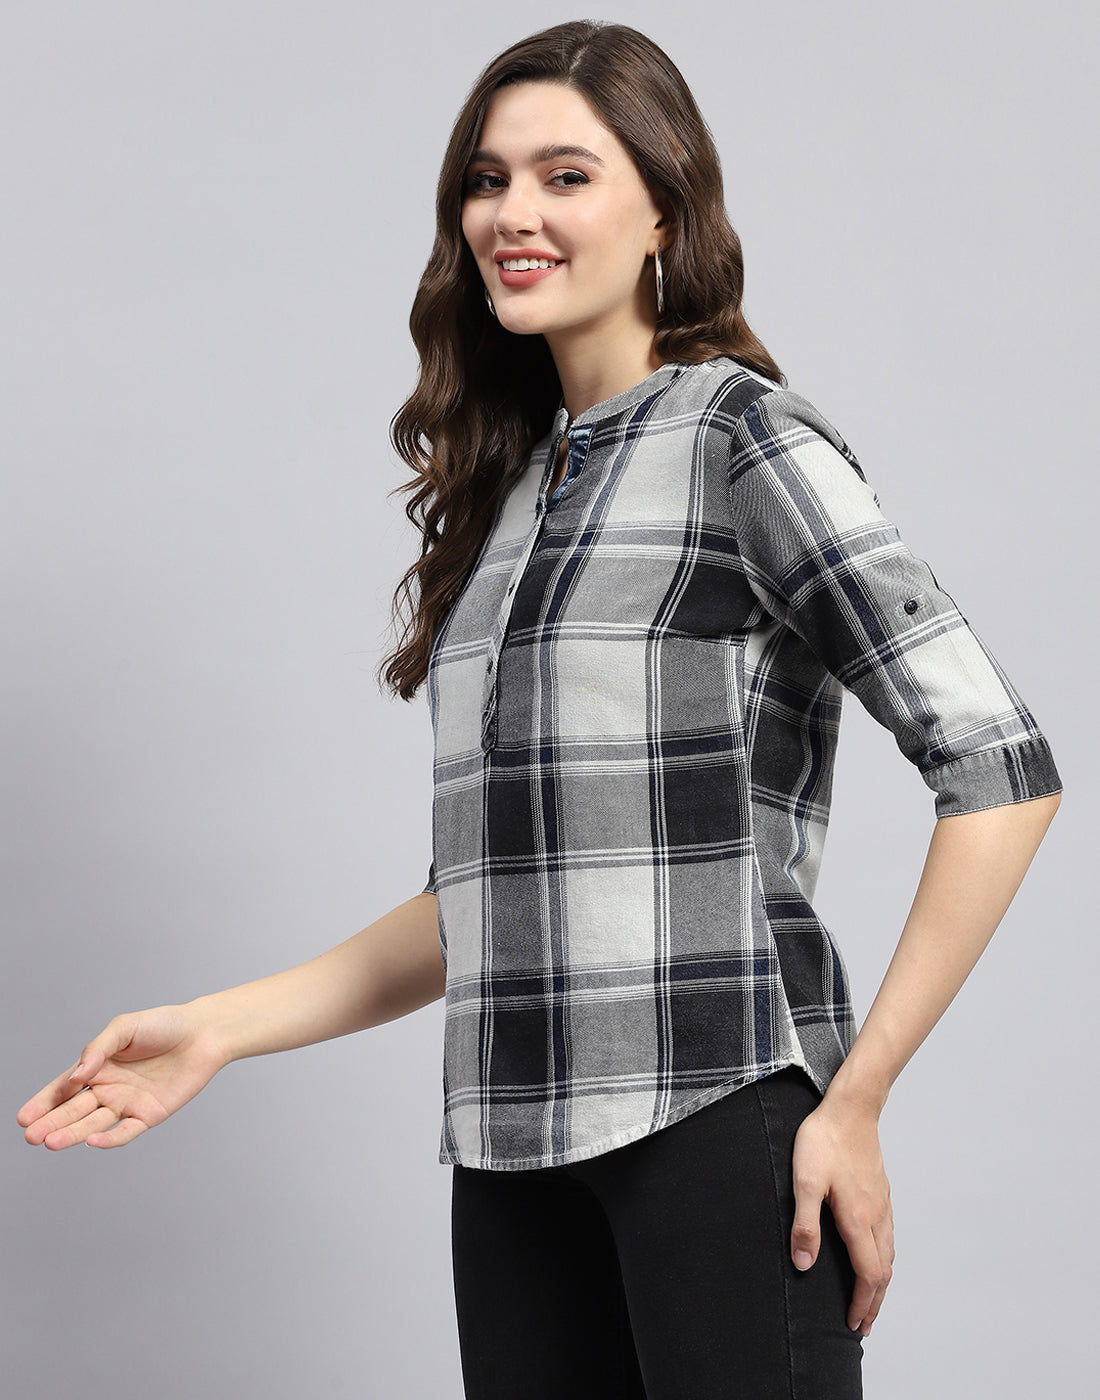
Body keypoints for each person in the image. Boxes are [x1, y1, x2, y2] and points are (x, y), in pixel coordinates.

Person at [17, 20, 1063, 1400]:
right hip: (510, 1160)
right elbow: (493, 896)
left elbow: (1000, 766)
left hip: (715, 1118)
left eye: (566, 176)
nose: (513, 213)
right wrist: (218, 1026)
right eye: (488, 179)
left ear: (664, 213)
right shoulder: (510, 497)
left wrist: (855, 1096)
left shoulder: (738, 440)